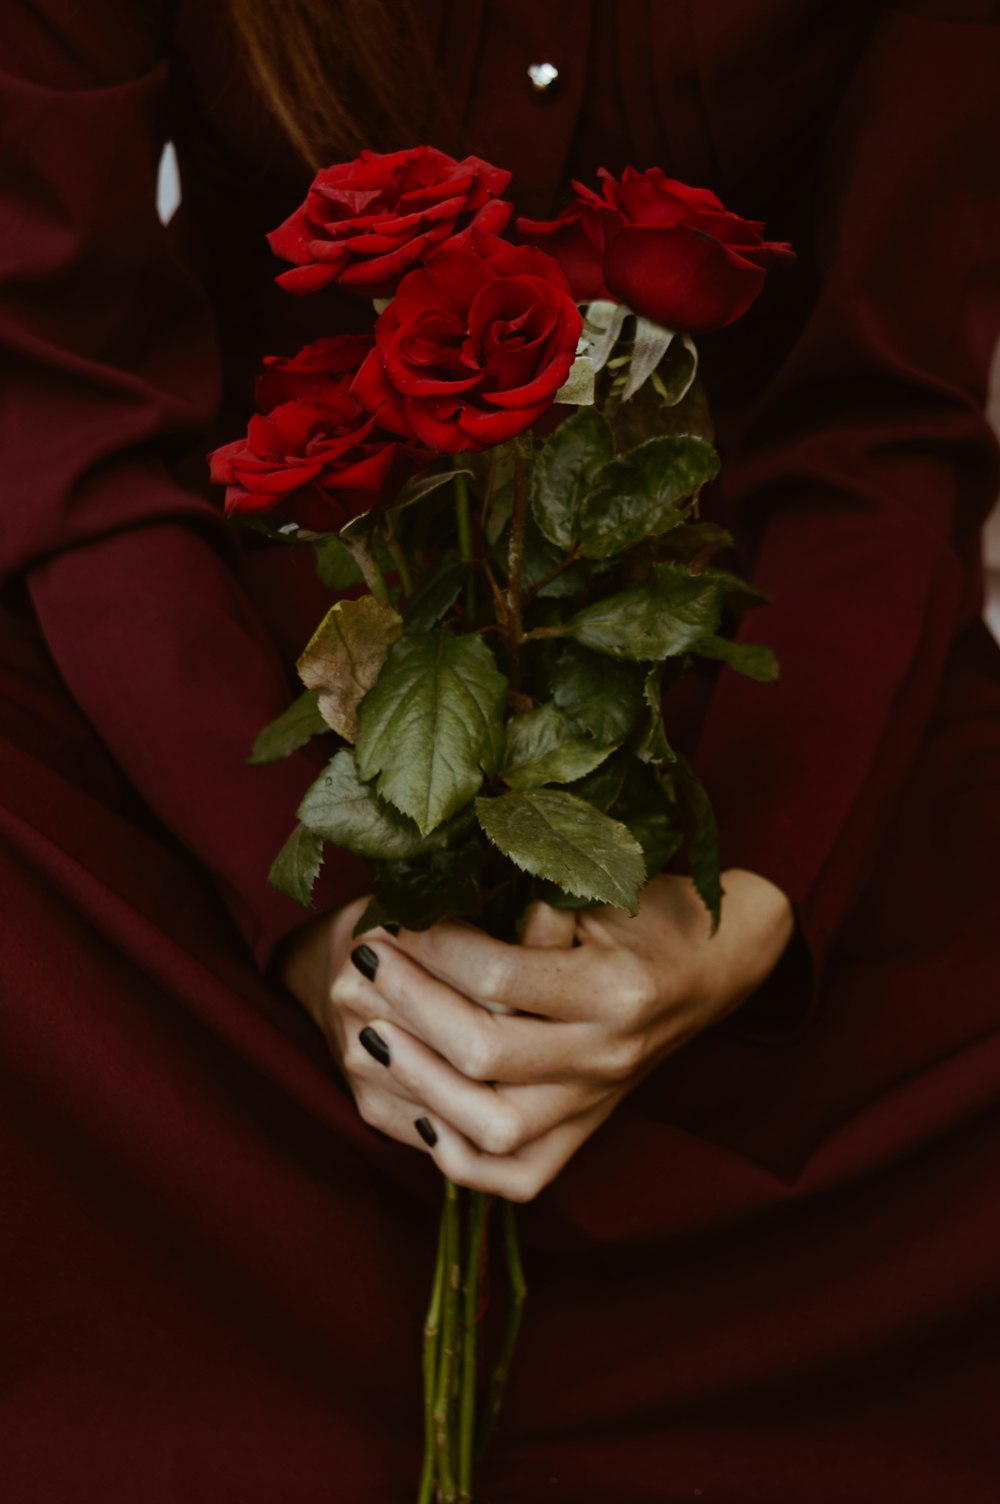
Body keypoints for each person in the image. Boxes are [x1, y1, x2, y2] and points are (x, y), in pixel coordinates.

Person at [2, 1, 999, 1499]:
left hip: (739, 708)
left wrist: (724, 929)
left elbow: (887, 408)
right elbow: (58, 385)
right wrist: (322, 917)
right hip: (216, 738)